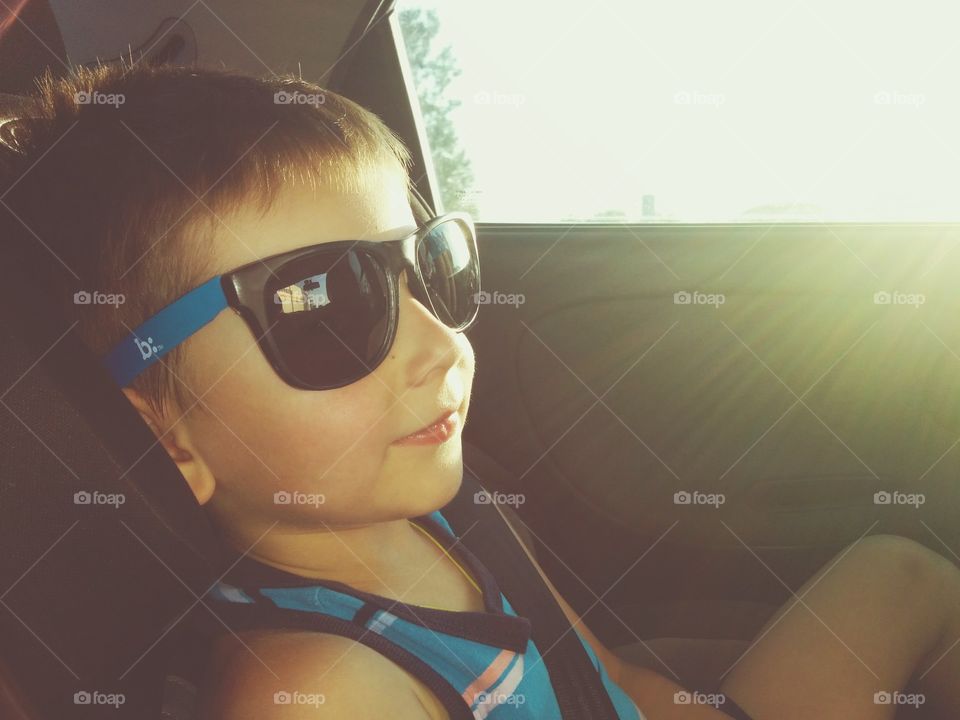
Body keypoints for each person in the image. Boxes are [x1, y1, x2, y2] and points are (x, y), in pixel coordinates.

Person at [3, 62, 960, 720]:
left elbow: (612, 678)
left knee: (904, 564)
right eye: (328, 304)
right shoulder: (321, 686)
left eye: (429, 266)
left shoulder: (450, 507)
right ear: (167, 430)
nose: (441, 342)